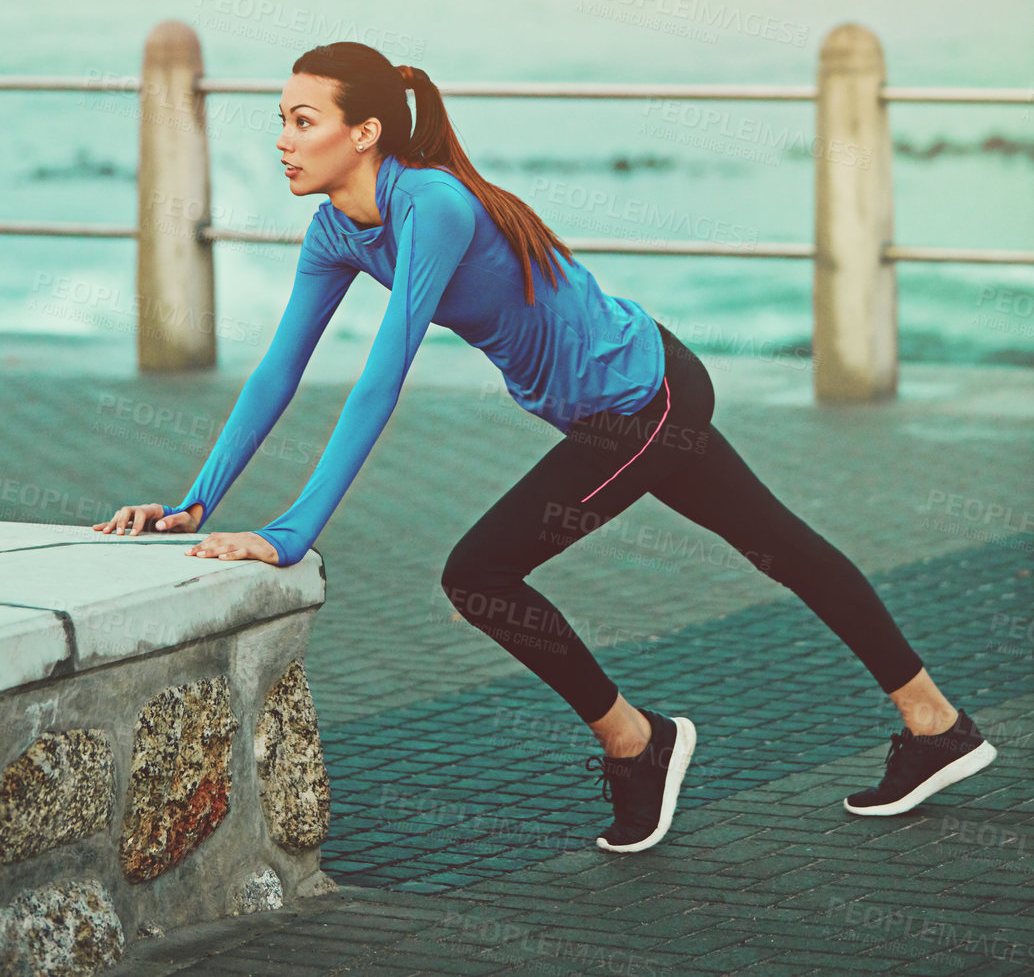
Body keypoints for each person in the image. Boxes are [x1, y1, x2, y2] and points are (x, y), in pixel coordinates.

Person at [96, 43, 997, 852]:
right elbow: (279, 372)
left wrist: (292, 532)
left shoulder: (433, 205)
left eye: (303, 121)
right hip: (621, 401)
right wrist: (198, 501)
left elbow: (380, 379)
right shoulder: (338, 229)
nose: (283, 141)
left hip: (646, 398)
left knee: (479, 572)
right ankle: (934, 725)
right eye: (280, 122)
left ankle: (639, 742)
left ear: (364, 132)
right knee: (777, 543)